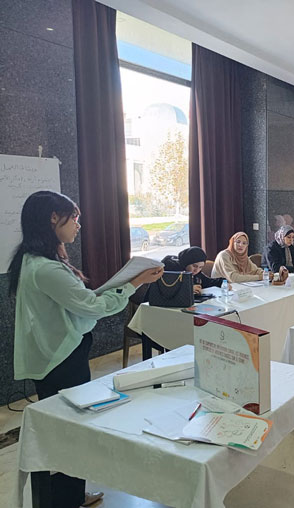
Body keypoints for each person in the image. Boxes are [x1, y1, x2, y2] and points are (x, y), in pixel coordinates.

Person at [8, 190, 163, 508]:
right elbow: (92, 306)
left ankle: (71, 494)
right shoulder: (45, 268)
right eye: (74, 218)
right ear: (53, 218)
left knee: (67, 429)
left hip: (59, 354)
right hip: (60, 360)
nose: (78, 225)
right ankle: (67, 498)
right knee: (70, 431)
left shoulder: (36, 260)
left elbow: (82, 301)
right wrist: (134, 283)